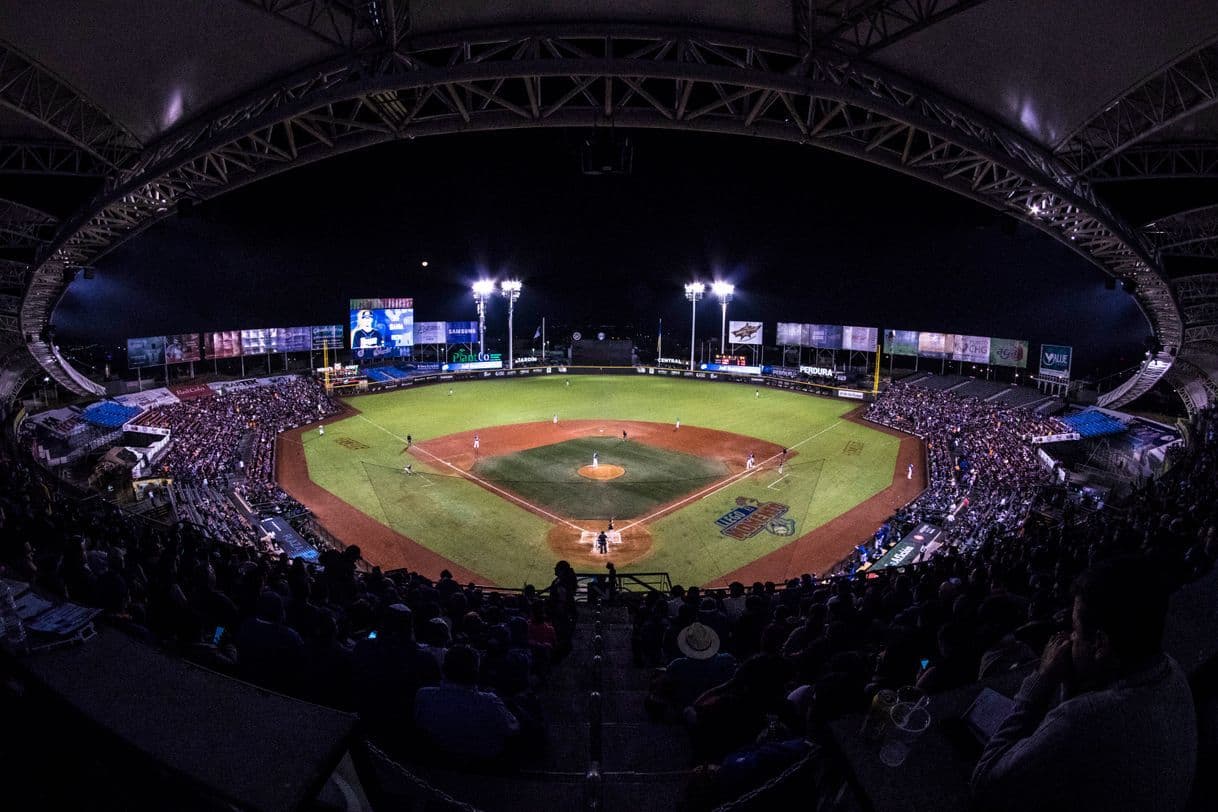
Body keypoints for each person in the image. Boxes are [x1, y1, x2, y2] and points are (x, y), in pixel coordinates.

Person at [971, 557, 1196, 812]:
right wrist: (1072, 679)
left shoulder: (1083, 720)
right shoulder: (1169, 669)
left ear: (1100, 644)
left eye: (1075, 628)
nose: (1070, 637)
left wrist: (1042, 680)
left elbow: (985, 782)